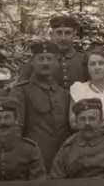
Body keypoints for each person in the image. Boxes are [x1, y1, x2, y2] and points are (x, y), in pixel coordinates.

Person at [9, 40, 73, 171]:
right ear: (32, 62)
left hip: (62, 162)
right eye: (40, 59)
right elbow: (15, 129)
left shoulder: (65, 94)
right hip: (33, 161)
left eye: (49, 59)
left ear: (57, 63)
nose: (45, 63)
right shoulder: (21, 91)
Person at [50, 98, 104, 179]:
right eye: (82, 119)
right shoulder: (66, 150)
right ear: (76, 123)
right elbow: (56, 182)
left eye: (92, 118)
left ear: (101, 122)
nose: (87, 123)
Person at [15, 16, 87, 89]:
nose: (63, 38)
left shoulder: (83, 59)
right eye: (59, 33)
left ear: (74, 35)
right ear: (51, 35)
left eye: (67, 33)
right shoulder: (38, 60)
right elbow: (21, 87)